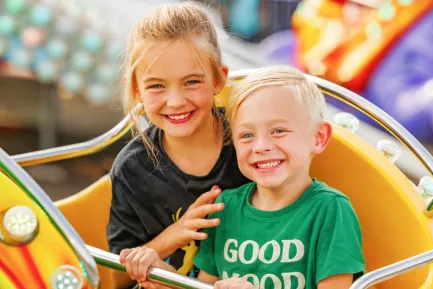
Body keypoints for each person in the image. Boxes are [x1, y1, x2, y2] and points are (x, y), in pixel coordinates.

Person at [128, 65, 366, 289]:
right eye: (247, 135)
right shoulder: (224, 209)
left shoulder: (330, 210)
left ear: (318, 137)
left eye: (278, 131)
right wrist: (165, 279)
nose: (261, 146)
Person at [107, 2, 249, 289]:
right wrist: (172, 236)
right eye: (157, 86)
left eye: (192, 82)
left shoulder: (250, 141)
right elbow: (117, 279)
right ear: (136, 89)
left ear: (219, 78)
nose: (175, 101)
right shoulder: (132, 169)